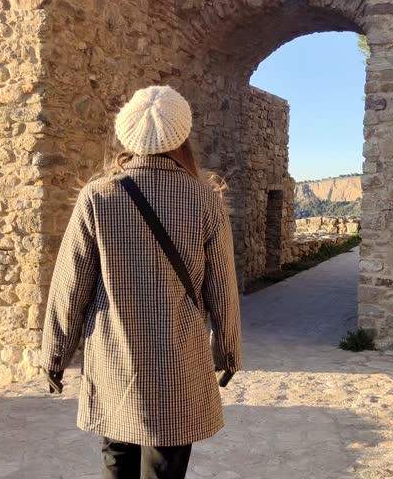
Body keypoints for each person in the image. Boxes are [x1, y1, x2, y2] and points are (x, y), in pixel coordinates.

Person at [39, 85, 243, 479]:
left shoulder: (97, 197)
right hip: (178, 359)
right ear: (181, 136)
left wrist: (54, 356)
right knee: (165, 468)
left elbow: (70, 288)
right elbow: (223, 289)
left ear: (129, 135)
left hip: (115, 358)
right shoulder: (205, 200)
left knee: (115, 461)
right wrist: (229, 352)